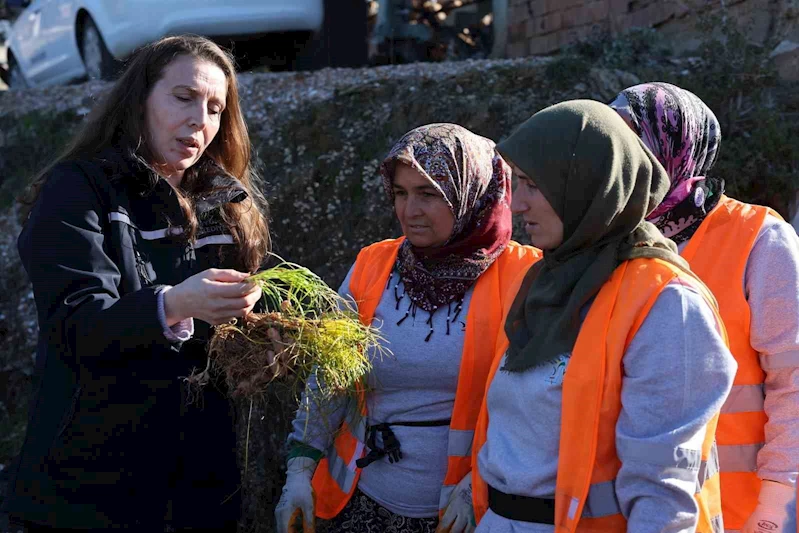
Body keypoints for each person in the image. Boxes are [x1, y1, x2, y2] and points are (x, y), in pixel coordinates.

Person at [2, 35, 270, 531]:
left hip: (198, 489)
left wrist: (264, 335)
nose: (200, 120)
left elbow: (221, 346)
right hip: (89, 490)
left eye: (215, 108)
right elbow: (76, 323)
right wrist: (176, 303)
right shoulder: (79, 188)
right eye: (183, 97)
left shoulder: (224, 204)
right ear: (139, 99)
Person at [470, 100, 738, 532]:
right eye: (516, 183)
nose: (517, 204)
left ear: (588, 185)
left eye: (533, 185)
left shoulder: (668, 302)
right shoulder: (545, 282)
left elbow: (664, 491)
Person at [274, 123, 542, 533]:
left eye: (429, 193)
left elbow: (540, 408)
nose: (409, 211)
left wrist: (480, 485)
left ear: (470, 193)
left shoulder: (526, 275)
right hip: (361, 506)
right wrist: (299, 469)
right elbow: (330, 379)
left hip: (462, 515)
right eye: (401, 193)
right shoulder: (373, 264)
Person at [610, 81, 799, 533]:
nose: (615, 159)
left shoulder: (759, 239)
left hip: (741, 510)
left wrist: (777, 505)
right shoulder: (609, 241)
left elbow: (793, 385)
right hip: (633, 506)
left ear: (669, 147)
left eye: (628, 142)